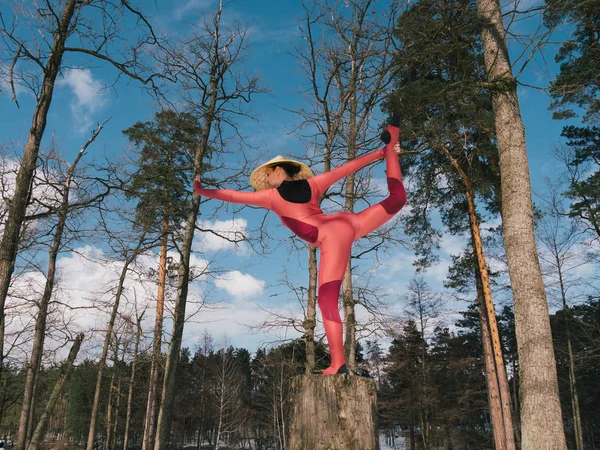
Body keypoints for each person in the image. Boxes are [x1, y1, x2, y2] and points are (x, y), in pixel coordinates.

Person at [193, 115, 406, 374]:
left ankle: (338, 363)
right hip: (348, 223)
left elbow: (233, 196)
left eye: (268, 174)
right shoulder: (314, 184)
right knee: (396, 200)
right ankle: (393, 142)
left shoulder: (271, 197)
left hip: (331, 235)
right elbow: (347, 168)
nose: (266, 180)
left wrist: (203, 191)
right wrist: (381, 153)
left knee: (327, 300)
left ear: (278, 170)